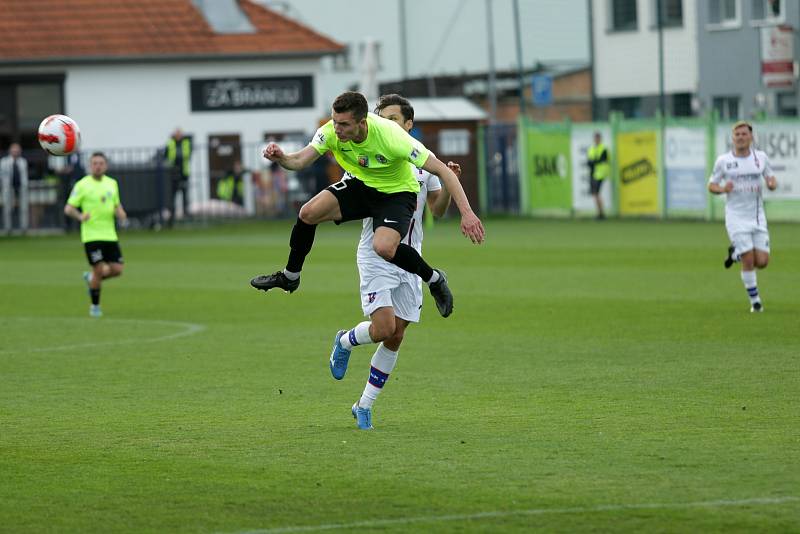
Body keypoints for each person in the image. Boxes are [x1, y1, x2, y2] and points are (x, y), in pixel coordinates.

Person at [250, 91, 485, 318]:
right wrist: (281, 157)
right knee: (308, 212)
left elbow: (443, 170)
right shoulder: (331, 131)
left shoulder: (392, 137)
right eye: (334, 122)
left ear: (362, 123)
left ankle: (434, 279)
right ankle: (290, 276)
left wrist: (467, 214)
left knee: (383, 247)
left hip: (397, 193)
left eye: (343, 124)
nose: (337, 129)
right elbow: (300, 160)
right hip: (363, 186)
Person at [328, 94, 454, 430]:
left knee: (396, 336)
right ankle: (344, 340)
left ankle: (364, 405)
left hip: (410, 261)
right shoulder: (373, 155)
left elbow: (437, 212)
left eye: (393, 119)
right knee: (383, 329)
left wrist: (449, 188)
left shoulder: (424, 164)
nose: (386, 124)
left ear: (409, 125)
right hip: (378, 254)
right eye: (381, 118)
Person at [708, 120, 777, 313]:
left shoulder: (760, 157)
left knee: (762, 262)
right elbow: (711, 185)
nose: (740, 137)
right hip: (736, 217)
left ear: (751, 137)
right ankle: (755, 302)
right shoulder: (724, 161)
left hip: (757, 216)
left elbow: (770, 177)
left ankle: (734, 253)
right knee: (748, 259)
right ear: (732, 138)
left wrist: (771, 183)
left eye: (744, 134)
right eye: (737, 134)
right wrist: (722, 188)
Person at [63, 152, 127, 317]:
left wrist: (121, 213)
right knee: (99, 270)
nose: (98, 166)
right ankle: (95, 307)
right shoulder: (82, 185)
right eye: (95, 163)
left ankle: (91, 279)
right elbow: (68, 209)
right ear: (90, 166)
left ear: (105, 165)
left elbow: (116, 204)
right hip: (91, 236)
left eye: (101, 163)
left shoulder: (112, 184)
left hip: (110, 234)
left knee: (117, 269)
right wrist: (80, 216)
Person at [0, 142, 30, 234]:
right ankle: (8, 229)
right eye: (14, 150)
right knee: (7, 209)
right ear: (10, 151)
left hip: (21, 187)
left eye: (17, 150)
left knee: (24, 208)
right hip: (8, 188)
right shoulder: (4, 161)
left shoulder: (23, 161)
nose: (15, 152)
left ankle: (24, 229)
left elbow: (25, 176)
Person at [165, 128, 191, 225]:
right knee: (173, 195)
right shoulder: (170, 143)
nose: (178, 135)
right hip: (172, 173)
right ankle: (172, 215)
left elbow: (188, 154)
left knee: (185, 194)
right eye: (177, 133)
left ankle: (186, 213)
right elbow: (167, 155)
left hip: (184, 173)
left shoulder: (186, 143)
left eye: (180, 134)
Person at [586, 132, 609, 219]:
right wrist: (592, 162)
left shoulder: (603, 149)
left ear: (600, 139)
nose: (596, 140)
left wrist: (593, 162)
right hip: (593, 174)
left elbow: (601, 160)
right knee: (595, 194)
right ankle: (600, 213)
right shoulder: (591, 148)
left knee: (597, 193)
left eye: (597, 138)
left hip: (600, 174)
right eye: (595, 138)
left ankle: (601, 213)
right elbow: (589, 161)